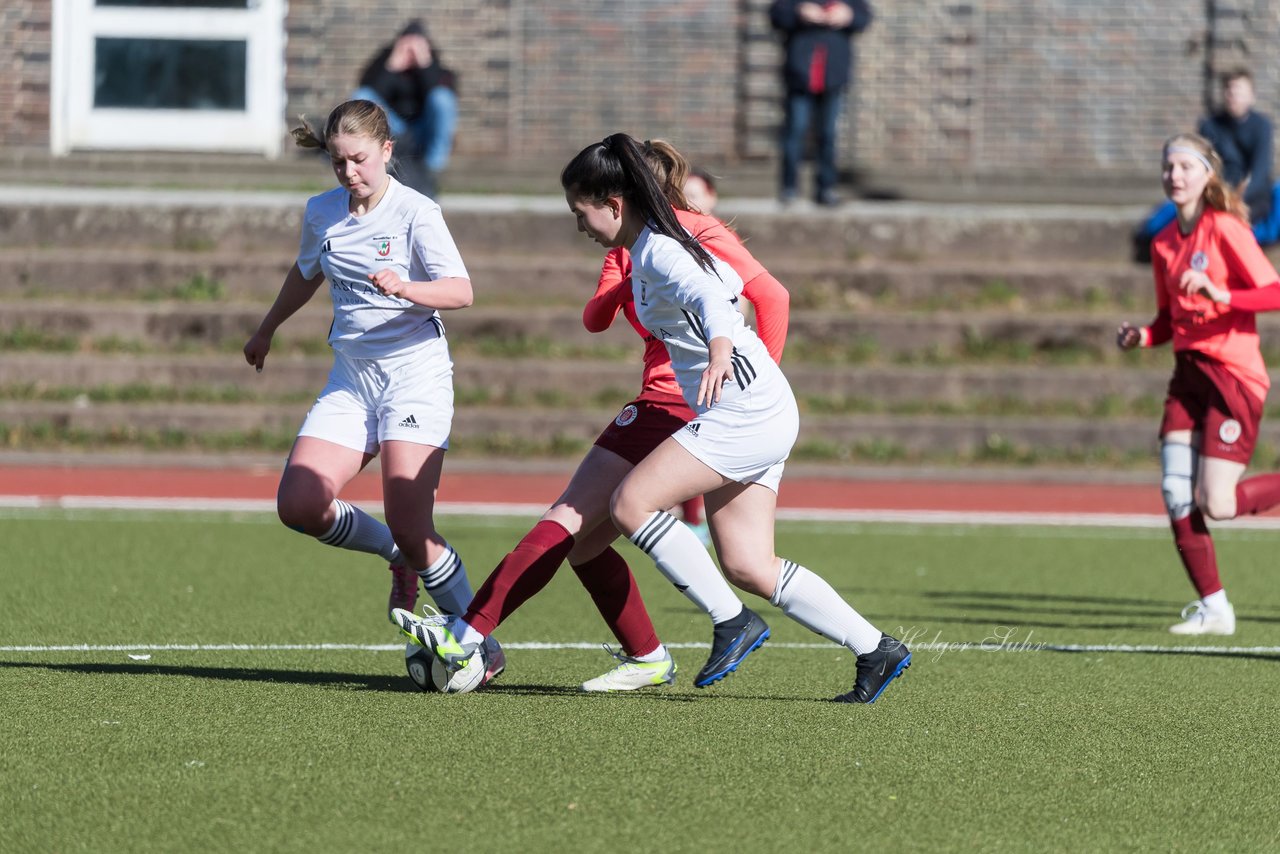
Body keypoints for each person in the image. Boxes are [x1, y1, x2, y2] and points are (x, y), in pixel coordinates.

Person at [399, 133, 910, 704]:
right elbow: (722, 285)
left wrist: (721, 347)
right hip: (755, 406)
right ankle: (876, 649)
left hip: (744, 408)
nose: (580, 225)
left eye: (580, 211)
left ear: (613, 203)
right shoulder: (646, 249)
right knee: (748, 562)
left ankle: (732, 622)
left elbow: (721, 297)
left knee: (629, 504)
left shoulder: (660, 250)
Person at [244, 99, 502, 677]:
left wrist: (408, 288)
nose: (349, 174)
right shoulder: (323, 213)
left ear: (387, 151)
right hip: (352, 379)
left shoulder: (417, 212)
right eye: (338, 163)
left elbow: (461, 291)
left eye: (358, 160)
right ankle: (397, 557)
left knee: (414, 524)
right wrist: (267, 328)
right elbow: (306, 271)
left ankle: (479, 644)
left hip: (415, 376)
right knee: (299, 505)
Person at [1117, 132, 1280, 635]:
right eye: (1168, 167)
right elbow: (1168, 320)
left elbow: (1274, 290)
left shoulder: (1226, 228)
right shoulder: (1164, 242)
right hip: (1187, 375)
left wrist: (1221, 292)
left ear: (1207, 174)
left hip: (1232, 374)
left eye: (1185, 167)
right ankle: (1215, 608)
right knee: (1173, 490)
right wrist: (1142, 335)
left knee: (1219, 504)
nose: (1175, 176)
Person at [1135, 69, 1279, 255]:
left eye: (1240, 91)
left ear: (1251, 96)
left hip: (1250, 196)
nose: (1233, 95)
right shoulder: (1210, 125)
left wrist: (1236, 198)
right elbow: (1203, 165)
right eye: (1229, 90)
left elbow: (1261, 170)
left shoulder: (1262, 126)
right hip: (1215, 190)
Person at [769, 0, 874, 207]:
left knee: (828, 134)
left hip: (833, 75)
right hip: (800, 74)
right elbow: (776, 16)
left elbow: (864, 18)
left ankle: (826, 188)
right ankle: (789, 188)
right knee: (795, 132)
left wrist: (848, 14)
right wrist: (799, 12)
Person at [353, 20, 458, 198]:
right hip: (392, 127)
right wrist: (392, 66)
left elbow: (443, 98)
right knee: (362, 95)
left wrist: (424, 64)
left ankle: (433, 168)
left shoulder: (435, 67)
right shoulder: (383, 64)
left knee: (443, 98)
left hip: (422, 129)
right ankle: (368, 160)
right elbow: (369, 92)